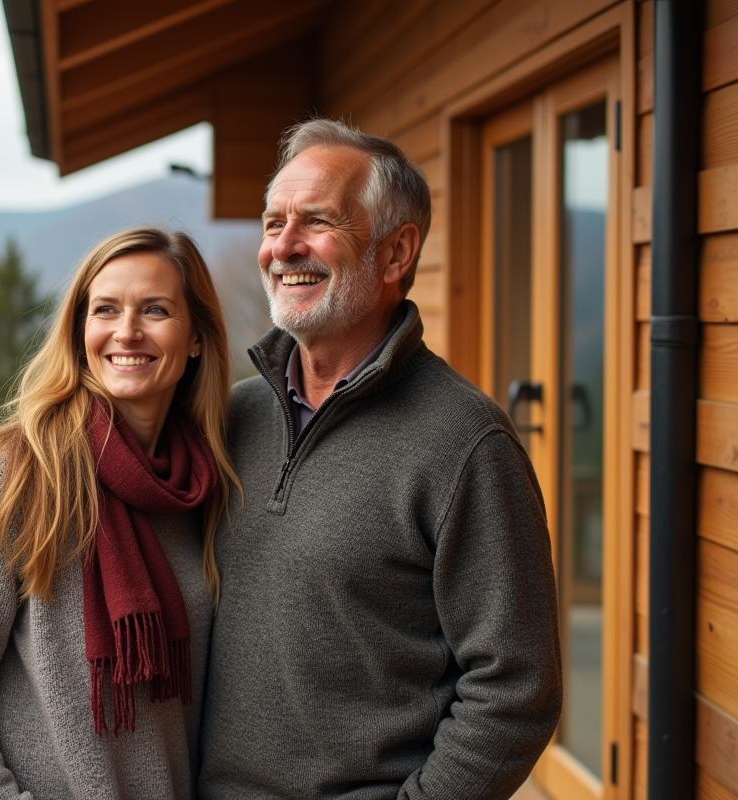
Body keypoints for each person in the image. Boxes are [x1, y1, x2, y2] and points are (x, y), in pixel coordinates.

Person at [199, 119, 562, 799]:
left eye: (317, 221)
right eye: (273, 222)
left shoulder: (465, 443)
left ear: (397, 254)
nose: (283, 245)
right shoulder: (233, 417)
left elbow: (515, 692)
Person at [0, 227, 239, 800]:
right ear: (81, 329)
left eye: (156, 309)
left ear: (195, 339)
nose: (126, 331)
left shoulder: (202, 486)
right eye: (105, 309)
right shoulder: (20, 474)